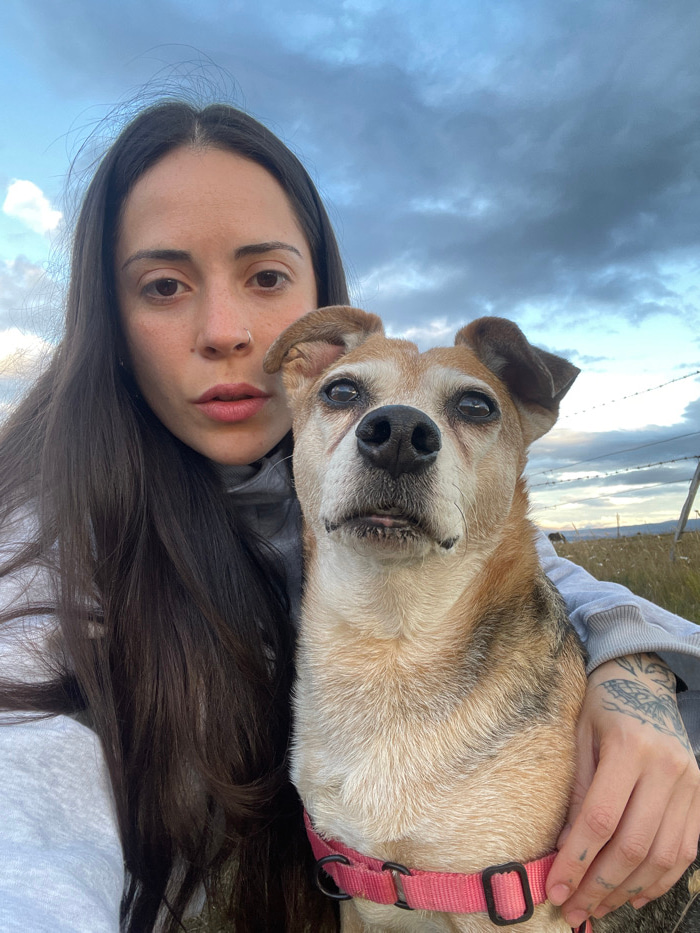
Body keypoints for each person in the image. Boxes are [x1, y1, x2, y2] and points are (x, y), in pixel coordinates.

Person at [0, 100, 697, 933]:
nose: (226, 332)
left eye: (265, 277)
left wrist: (637, 666)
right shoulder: (41, 546)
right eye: (164, 286)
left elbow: (529, 561)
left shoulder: (305, 480)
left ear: (314, 298)